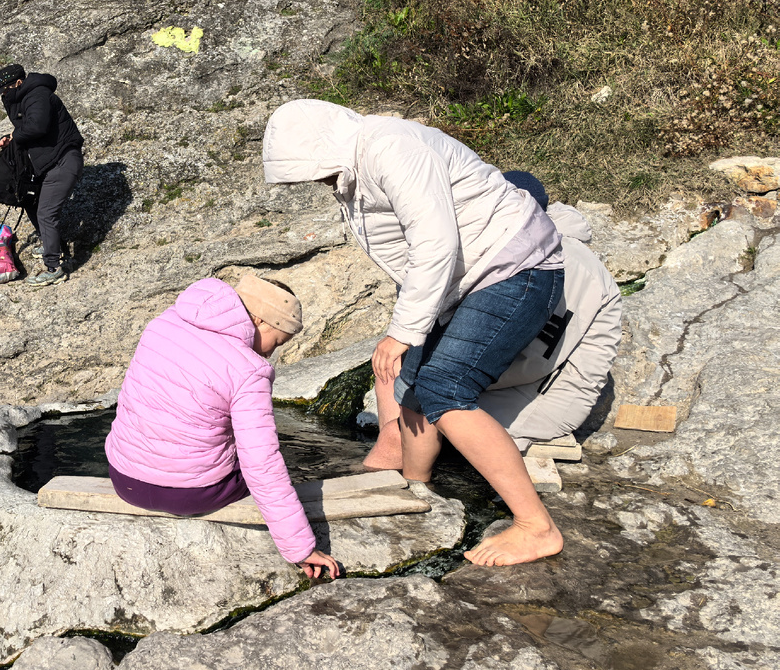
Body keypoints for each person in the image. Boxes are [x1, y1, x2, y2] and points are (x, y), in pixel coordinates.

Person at [262, 99, 566, 567]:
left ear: (326, 144)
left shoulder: (392, 147)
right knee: (417, 389)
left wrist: (403, 332)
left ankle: (536, 526)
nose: (314, 182)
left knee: (447, 387)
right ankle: (417, 489)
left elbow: (435, 240)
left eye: (311, 171)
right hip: (468, 281)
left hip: (515, 267)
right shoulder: (356, 167)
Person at [364, 172, 623, 468]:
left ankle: (395, 452)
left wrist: (429, 383)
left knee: (426, 393)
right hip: (508, 378)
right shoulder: (510, 248)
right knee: (393, 361)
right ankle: (394, 440)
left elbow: (530, 357)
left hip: (544, 394)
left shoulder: (555, 263)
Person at [104, 274, 342, 580]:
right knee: (262, 461)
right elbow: (262, 464)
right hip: (189, 495)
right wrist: (300, 548)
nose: (271, 353)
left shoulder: (163, 323)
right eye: (277, 341)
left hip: (124, 479)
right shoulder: (249, 369)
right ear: (258, 320)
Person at [0, 63, 84, 286]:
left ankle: (54, 267)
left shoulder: (38, 94)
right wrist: (11, 137)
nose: (5, 95)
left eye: (6, 90)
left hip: (63, 160)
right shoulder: (24, 98)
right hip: (49, 162)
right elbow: (28, 126)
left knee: (46, 212)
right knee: (30, 200)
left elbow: (37, 127)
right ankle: (52, 244)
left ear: (18, 83)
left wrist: (16, 135)